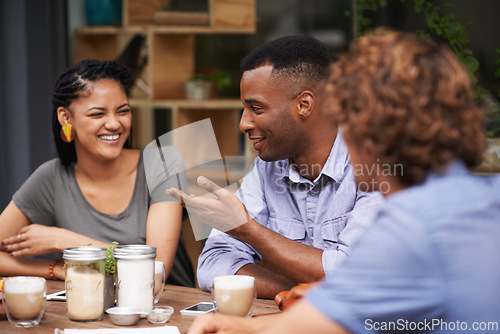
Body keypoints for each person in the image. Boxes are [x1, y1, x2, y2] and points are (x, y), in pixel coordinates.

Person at [187, 28, 500, 334]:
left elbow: (331, 312)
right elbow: (367, 312)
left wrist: (245, 327)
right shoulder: (487, 198)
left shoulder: (410, 225)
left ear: (365, 130)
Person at [167, 35, 383, 298]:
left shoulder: (375, 167)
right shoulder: (267, 169)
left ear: (304, 105)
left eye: (256, 108)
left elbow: (355, 276)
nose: (243, 124)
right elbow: (213, 266)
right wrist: (296, 292)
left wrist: (248, 230)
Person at [0, 59, 194, 287]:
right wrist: (55, 270)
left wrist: (64, 241)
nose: (114, 124)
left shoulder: (161, 163)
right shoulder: (51, 178)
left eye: (122, 111)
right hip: (91, 312)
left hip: (164, 314)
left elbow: (153, 272)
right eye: (97, 114)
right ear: (66, 118)